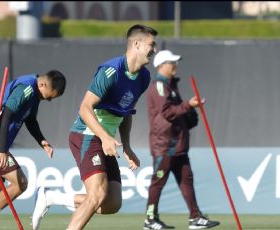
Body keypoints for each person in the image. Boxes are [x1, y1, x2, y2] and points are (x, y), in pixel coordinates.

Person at [31, 24, 158, 230]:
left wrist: (126, 146)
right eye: (151, 45)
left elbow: (126, 112)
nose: (154, 50)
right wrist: (106, 137)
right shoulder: (111, 71)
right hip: (87, 135)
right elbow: (84, 108)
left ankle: (51, 196)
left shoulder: (143, 78)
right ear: (136, 44)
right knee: (97, 194)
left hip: (105, 139)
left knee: (112, 203)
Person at [0, 70, 66, 230]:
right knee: (21, 182)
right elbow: (6, 115)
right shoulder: (27, 88)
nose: (48, 100)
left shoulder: (35, 94)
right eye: (49, 96)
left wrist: (42, 141)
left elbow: (30, 120)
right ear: (43, 84)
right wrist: (2, 150)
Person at [143, 50, 220, 229]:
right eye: (172, 62)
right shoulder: (159, 87)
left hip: (177, 145)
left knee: (187, 181)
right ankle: (150, 219)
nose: (175, 65)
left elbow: (177, 115)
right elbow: (167, 113)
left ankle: (195, 218)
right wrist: (188, 105)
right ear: (161, 66)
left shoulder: (171, 87)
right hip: (164, 146)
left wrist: (191, 114)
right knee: (158, 183)